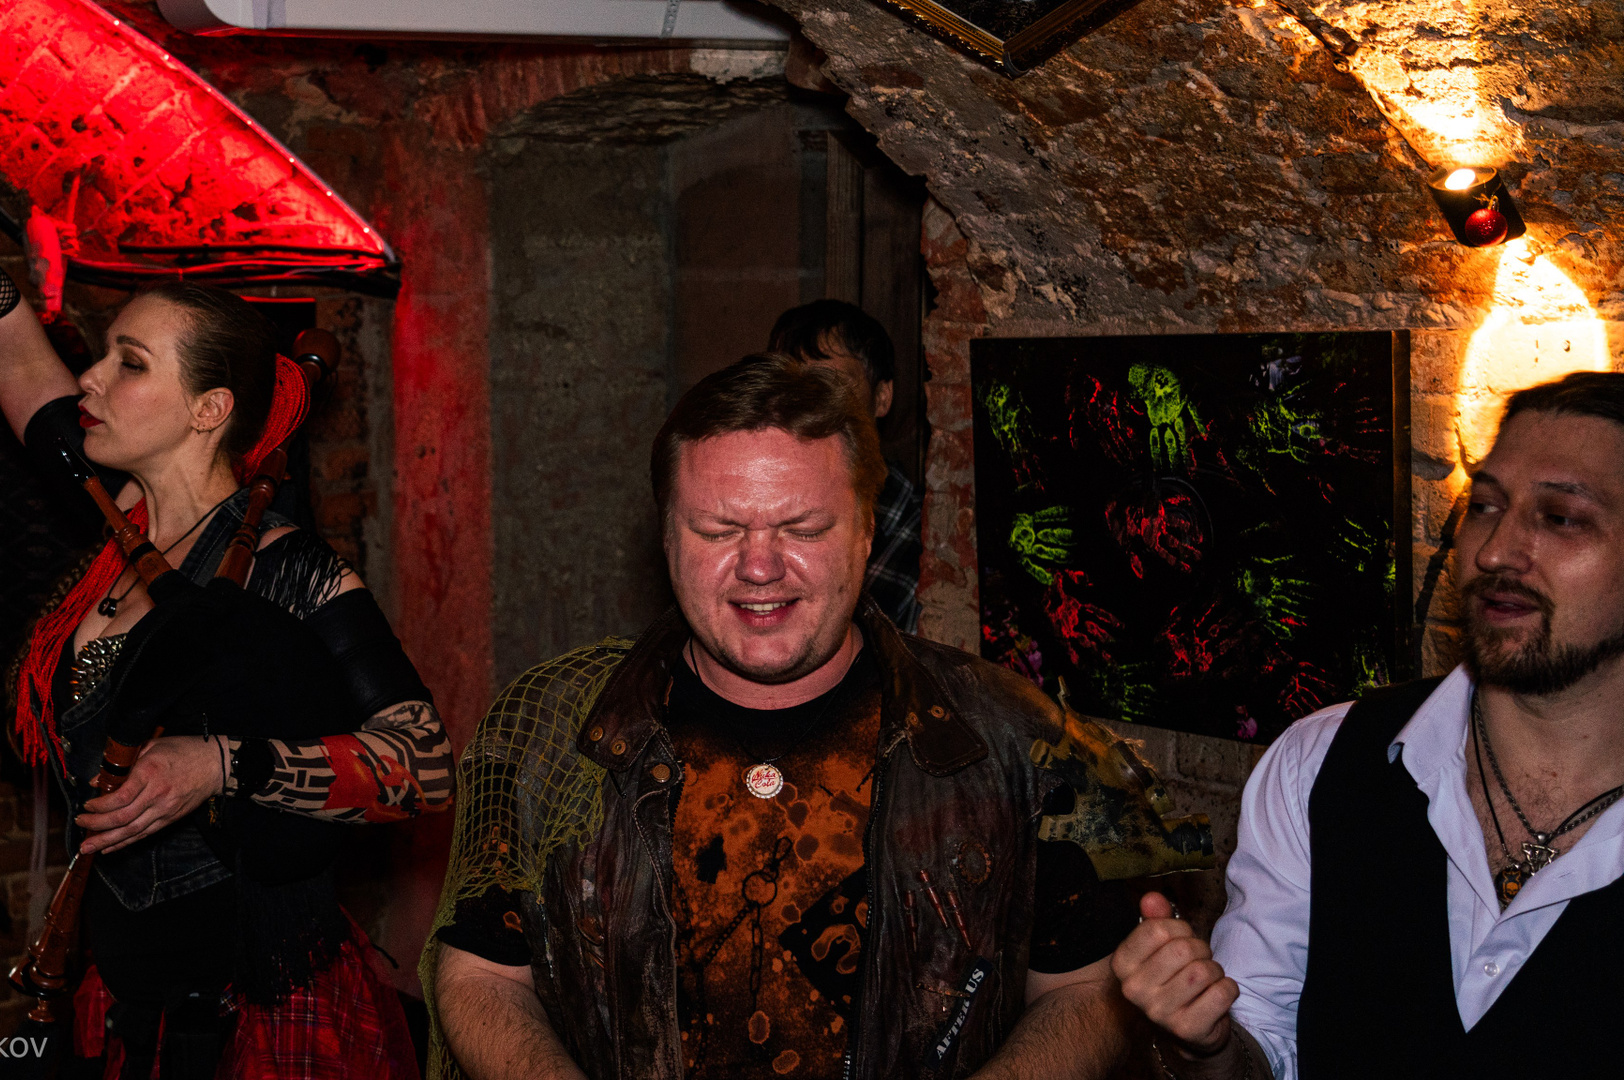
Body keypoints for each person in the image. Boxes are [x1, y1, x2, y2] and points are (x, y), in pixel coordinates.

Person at [0, 46, 450, 1080]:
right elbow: (10, 345)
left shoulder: (290, 569)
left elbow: (424, 764)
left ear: (208, 409)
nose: (90, 377)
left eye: (128, 364)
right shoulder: (115, 521)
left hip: (262, 1013)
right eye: (103, 355)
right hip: (125, 995)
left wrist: (221, 764)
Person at [425, 355, 1179, 1080]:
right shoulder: (551, 728)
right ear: (664, 536)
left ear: (866, 530)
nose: (760, 566)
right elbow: (482, 975)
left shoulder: (1016, 740)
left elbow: (1086, 990)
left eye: (804, 528)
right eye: (718, 530)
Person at [1113, 370, 1624, 1078]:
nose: (1493, 552)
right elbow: (1260, 1045)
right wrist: (1207, 1045)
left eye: (1560, 518)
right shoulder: (1319, 760)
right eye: (1484, 506)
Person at [769, 300, 924, 633]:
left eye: (830, 386)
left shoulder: (924, 541)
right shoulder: (754, 511)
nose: (808, 405)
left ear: (882, 397)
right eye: (790, 387)